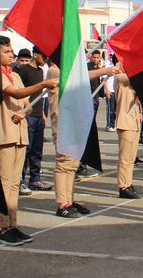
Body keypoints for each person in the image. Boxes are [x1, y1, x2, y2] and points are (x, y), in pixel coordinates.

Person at [0, 36, 56, 245]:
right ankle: (4, 227)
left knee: (14, 183)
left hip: (20, 133)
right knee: (5, 183)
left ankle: (13, 224)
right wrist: (44, 84)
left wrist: (25, 110)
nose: (11, 55)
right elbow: (14, 93)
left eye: (11, 51)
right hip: (4, 132)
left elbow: (27, 103)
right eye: (6, 52)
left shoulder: (14, 75)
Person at [49, 61, 119, 217]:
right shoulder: (55, 70)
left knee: (72, 165)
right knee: (64, 164)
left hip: (74, 121)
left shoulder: (69, 68)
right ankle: (62, 204)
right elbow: (76, 78)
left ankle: (69, 200)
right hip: (63, 123)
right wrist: (103, 70)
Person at [14, 47, 52, 192]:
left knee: (37, 150)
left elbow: (39, 95)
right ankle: (20, 180)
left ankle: (35, 179)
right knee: (26, 150)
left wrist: (42, 113)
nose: (46, 59)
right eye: (44, 56)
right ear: (35, 55)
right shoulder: (23, 71)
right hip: (27, 115)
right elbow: (19, 93)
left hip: (38, 115)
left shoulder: (40, 71)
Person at [113, 66, 143, 199]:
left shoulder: (131, 84)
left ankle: (128, 183)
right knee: (125, 158)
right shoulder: (120, 80)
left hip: (134, 122)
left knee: (131, 158)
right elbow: (135, 76)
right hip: (125, 123)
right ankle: (123, 186)